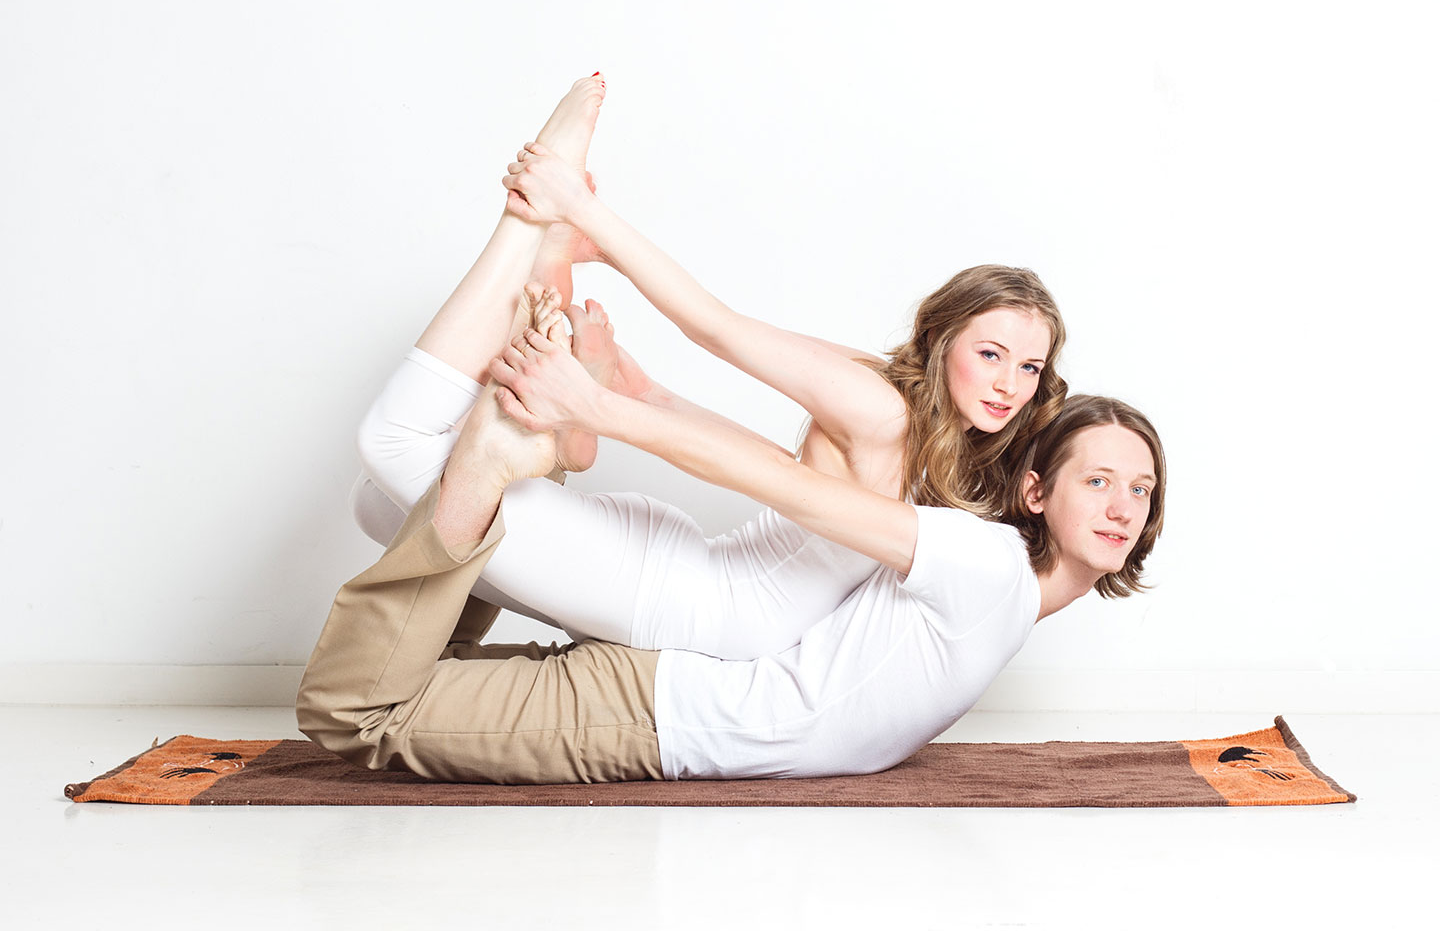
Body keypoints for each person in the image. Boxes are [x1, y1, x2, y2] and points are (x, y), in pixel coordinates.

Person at [349, 74, 1069, 659]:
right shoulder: (883, 404)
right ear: (943, 343)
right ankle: (539, 230)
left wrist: (628, 396)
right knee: (389, 476)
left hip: (683, 586)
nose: (1010, 384)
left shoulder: (908, 417)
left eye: (1030, 368)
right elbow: (717, 330)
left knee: (389, 482)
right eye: (991, 355)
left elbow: (782, 477)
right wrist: (583, 217)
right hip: (683, 589)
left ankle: (544, 268)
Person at [295, 320, 1166, 782]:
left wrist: (636, 393)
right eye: (1099, 481)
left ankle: (507, 471)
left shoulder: (998, 589)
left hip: (676, 673)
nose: (1123, 506)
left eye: (1140, 489)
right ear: (1036, 493)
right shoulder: (984, 566)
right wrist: (611, 408)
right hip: (660, 717)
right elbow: (791, 487)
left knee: (389, 520)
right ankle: (495, 462)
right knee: (357, 713)